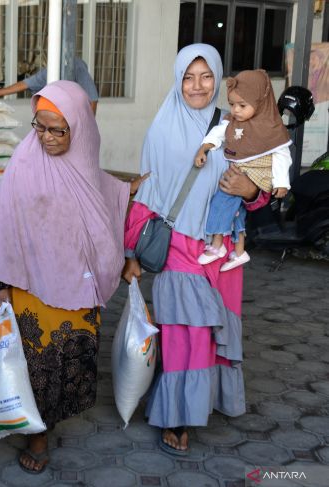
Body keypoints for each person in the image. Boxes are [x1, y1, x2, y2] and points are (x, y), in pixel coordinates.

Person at [0, 80, 146, 474]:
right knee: (37, 363)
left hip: (77, 282)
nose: (47, 138)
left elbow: (103, 191)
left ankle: (51, 417)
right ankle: (37, 436)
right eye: (39, 127)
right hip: (32, 286)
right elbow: (5, 225)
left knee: (69, 360)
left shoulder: (85, 162)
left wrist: (130, 191)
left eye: (58, 129)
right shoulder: (23, 164)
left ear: (80, 128)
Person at [122, 44, 269, 456]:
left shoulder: (235, 127)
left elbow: (261, 189)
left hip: (221, 253)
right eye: (188, 77)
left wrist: (251, 189)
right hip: (180, 247)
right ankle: (177, 417)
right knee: (185, 334)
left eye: (206, 77)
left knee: (209, 332)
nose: (197, 86)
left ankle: (200, 402)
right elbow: (147, 194)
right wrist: (132, 252)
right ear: (177, 80)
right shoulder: (161, 128)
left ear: (219, 80)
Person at [195, 69, 291, 271]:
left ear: (260, 103)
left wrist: (282, 182)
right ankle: (239, 252)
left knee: (221, 201)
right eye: (231, 104)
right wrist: (205, 148)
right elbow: (218, 133)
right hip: (241, 170)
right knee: (238, 212)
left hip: (257, 175)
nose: (236, 110)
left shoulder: (271, 128)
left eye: (242, 105)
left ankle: (217, 245)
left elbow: (282, 155)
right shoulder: (233, 122)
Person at [0, 58, 99, 114]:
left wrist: (88, 126)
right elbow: (26, 83)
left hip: (75, 120)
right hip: (55, 120)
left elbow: (93, 98)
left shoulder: (76, 66)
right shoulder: (50, 70)